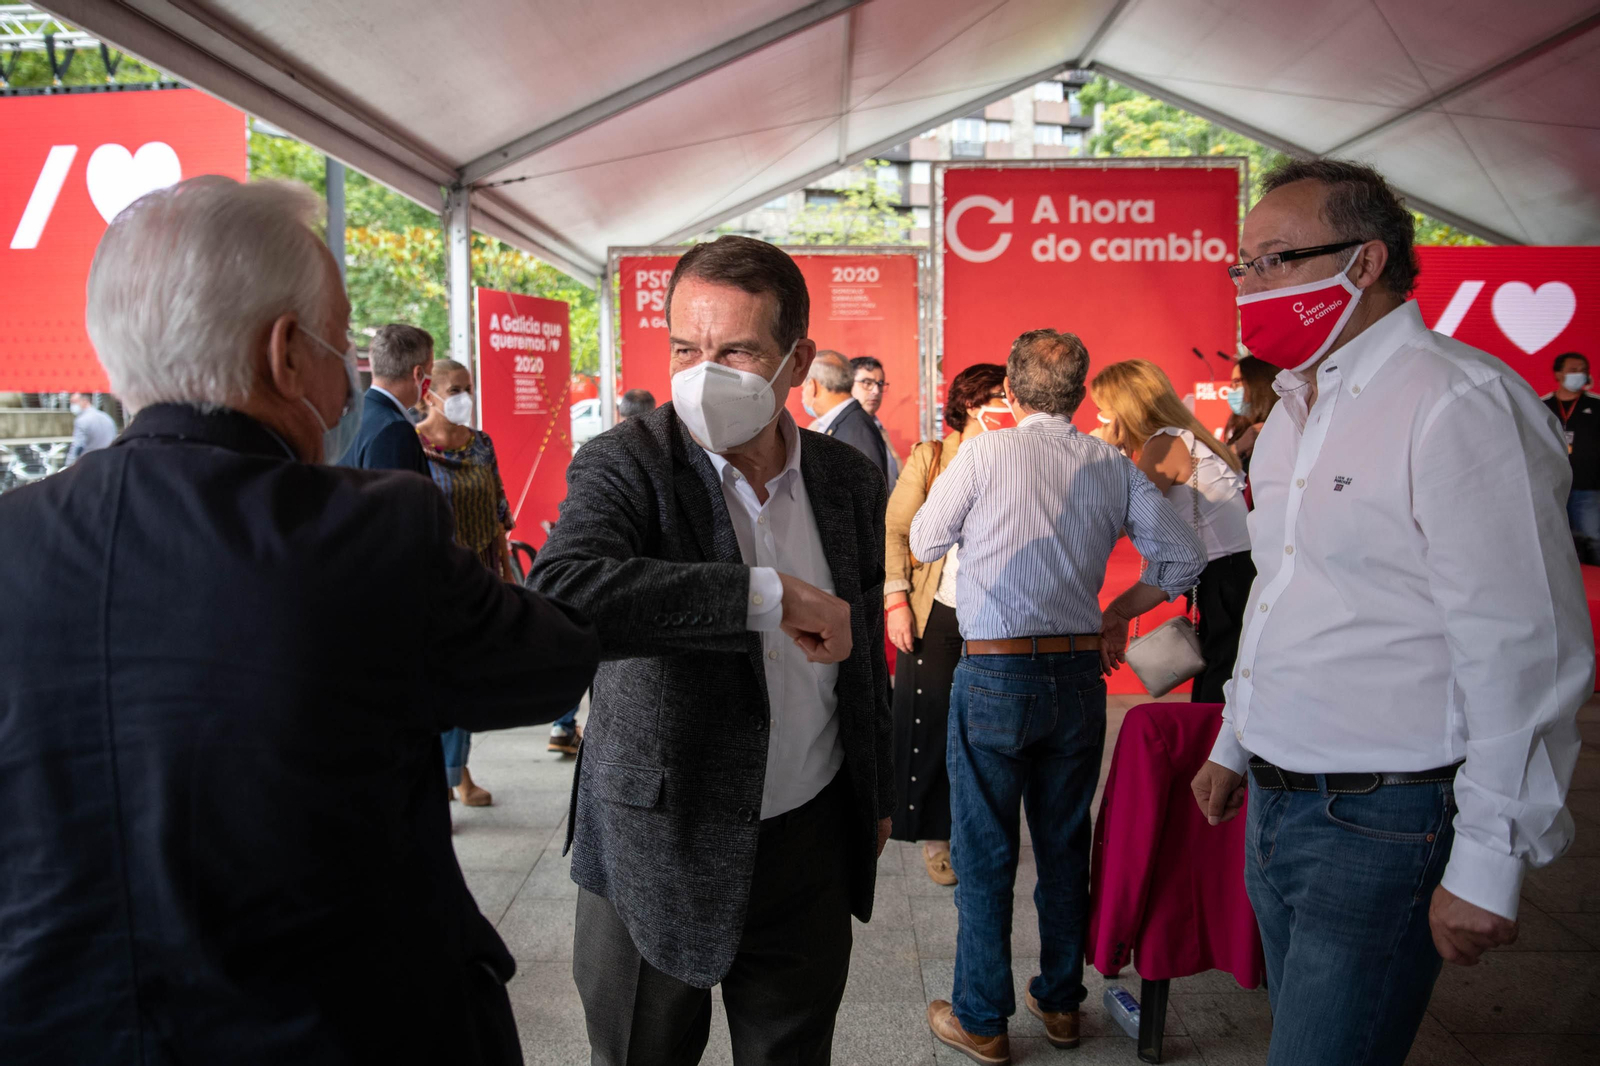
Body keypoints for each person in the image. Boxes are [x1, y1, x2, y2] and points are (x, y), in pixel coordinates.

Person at [0, 176, 600, 1064]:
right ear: (286, 354)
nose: (347, 378)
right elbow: (547, 663)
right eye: (341, 346)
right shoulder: (370, 530)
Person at [1192, 159, 1589, 1066]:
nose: (1249, 285)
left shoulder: (1459, 400)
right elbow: (1283, 591)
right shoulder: (1295, 407)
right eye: (1242, 265)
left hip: (1384, 817)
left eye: (1275, 259)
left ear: (1364, 263)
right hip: (1278, 800)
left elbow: (1523, 645)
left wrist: (1491, 857)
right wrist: (1233, 741)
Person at [530, 235, 893, 1066]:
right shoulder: (627, 463)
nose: (704, 372)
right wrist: (764, 597)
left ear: (795, 360)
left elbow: (861, 643)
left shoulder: (845, 479)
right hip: (658, 835)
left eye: (736, 350)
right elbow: (564, 590)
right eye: (686, 349)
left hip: (805, 832)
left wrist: (871, 790)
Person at [909, 329, 1205, 1063]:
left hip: (996, 673)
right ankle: (1062, 1003)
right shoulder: (1111, 462)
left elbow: (923, 540)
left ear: (1010, 389)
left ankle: (982, 1018)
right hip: (1077, 677)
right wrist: (1116, 612)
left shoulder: (983, 451)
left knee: (984, 852)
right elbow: (1183, 557)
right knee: (1066, 845)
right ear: (1078, 396)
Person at [883, 362, 1007, 887]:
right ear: (968, 403)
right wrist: (895, 600)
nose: (1002, 404)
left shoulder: (1015, 454)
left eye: (1008, 394)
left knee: (990, 724)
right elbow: (895, 529)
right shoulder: (934, 456)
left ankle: (979, 826)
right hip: (935, 606)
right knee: (928, 721)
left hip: (998, 611)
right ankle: (936, 835)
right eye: (992, 395)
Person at [1091, 359, 1254, 704]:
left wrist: (1103, 453)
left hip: (1226, 579)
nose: (1100, 422)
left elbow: (1119, 516)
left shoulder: (1165, 443)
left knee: (1220, 688)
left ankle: (1213, 756)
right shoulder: (1182, 438)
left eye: (1104, 412)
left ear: (1125, 410)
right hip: (1233, 575)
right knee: (1222, 676)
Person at [417, 357, 517, 807]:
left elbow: (497, 506)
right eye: (454, 389)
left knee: (468, 676)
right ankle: (448, 777)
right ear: (429, 394)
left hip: (479, 575)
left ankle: (456, 771)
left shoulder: (481, 444)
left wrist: (506, 566)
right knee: (445, 677)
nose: (463, 398)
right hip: (434, 579)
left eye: (467, 388)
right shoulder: (412, 446)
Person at [339, 322, 433, 474]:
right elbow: (398, 496)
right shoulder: (395, 430)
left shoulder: (353, 414)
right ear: (419, 374)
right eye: (431, 369)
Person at [1542, 352, 1600, 562]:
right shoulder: (1542, 406)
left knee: (1593, 537)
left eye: (1583, 370)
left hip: (1588, 486)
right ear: (1558, 374)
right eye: (1573, 370)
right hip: (1552, 486)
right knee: (1552, 538)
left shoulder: (1596, 405)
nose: (1580, 374)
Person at [802, 348, 890, 483]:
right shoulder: (844, 422)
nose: (875, 391)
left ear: (813, 386)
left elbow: (865, 495)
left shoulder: (856, 430)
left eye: (804, 387)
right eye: (867, 383)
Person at [1223, 354, 1278, 468]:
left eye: (1237, 382)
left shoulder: (1281, 426)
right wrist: (1237, 448)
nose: (1232, 389)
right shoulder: (1241, 430)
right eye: (1231, 384)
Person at [851, 355, 901, 483]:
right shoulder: (829, 427)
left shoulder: (878, 427)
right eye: (867, 383)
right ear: (848, 384)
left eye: (880, 384)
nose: (876, 391)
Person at [65, 391, 117, 463]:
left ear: (85, 401)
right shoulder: (106, 417)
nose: (72, 405)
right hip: (109, 460)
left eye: (74, 402)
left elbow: (78, 445)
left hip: (90, 461)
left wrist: (69, 463)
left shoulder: (81, 420)